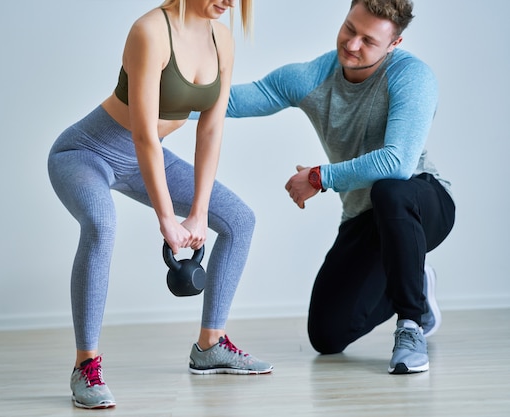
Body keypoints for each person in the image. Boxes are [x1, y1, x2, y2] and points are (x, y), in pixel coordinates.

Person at [47, 0, 272, 410]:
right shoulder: (150, 31)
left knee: (239, 219)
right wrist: (167, 217)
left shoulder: (222, 39)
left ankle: (210, 345)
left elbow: (211, 128)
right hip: (85, 154)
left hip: (144, 158)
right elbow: (144, 134)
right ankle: (86, 365)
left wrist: (200, 210)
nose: (229, 3)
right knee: (101, 225)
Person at [222, 0, 455, 374]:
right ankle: (414, 283)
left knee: (389, 190)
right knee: (326, 336)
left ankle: (411, 324)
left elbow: (397, 163)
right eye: (350, 29)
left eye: (368, 40)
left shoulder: (412, 76)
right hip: (364, 216)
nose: (352, 45)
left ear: (394, 44)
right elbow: (234, 100)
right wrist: (158, 100)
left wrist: (319, 177)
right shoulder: (313, 76)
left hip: (421, 201)